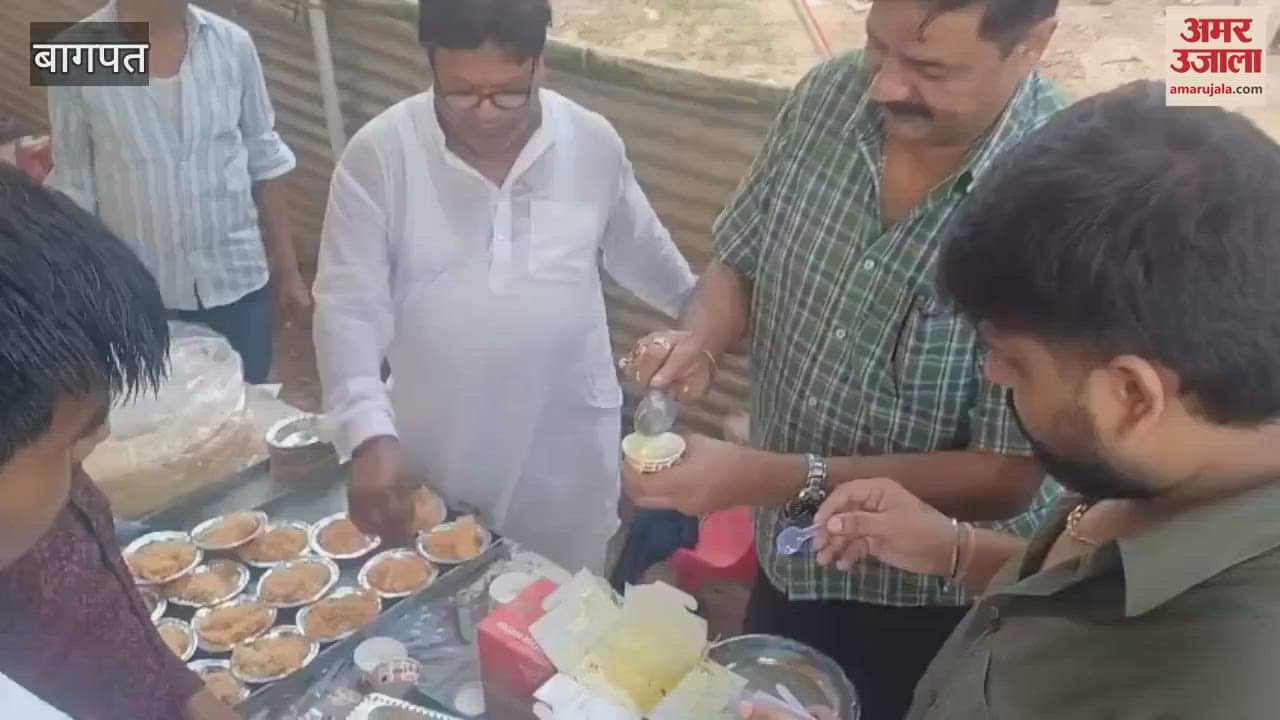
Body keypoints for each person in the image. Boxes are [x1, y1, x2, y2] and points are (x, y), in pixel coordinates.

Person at [747, 80, 1280, 719]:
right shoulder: (1183, 451)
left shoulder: (1219, 680)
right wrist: (953, 549)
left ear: (1133, 394)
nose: (995, 375)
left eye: (1015, 361)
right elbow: (1076, 586)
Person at [622, 1, 1062, 717]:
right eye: (874, 47)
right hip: (787, 560)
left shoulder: (1060, 201)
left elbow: (1008, 476)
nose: (884, 86)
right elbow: (739, 261)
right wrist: (699, 336)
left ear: (1031, 46)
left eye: (928, 68)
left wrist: (765, 478)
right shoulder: (826, 99)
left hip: (931, 599)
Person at [313, 0, 695, 573]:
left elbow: (652, 259)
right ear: (431, 67)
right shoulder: (381, 156)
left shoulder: (590, 143)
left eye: (507, 92)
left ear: (541, 66)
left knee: (560, 622)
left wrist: (707, 327)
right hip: (441, 452)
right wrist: (368, 435)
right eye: (462, 92)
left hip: (564, 458)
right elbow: (348, 307)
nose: (485, 113)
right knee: (448, 618)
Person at [0, 165, 239, 718]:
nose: (94, 445)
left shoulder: (46, 505)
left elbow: (104, 610)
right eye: (73, 444)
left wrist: (186, 693)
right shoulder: (81, 74)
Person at [47, 0, 309, 384]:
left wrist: (289, 271)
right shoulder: (78, 52)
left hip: (236, 283)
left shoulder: (232, 44)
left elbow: (265, 157)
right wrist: (76, 293)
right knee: (164, 427)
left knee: (246, 413)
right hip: (141, 296)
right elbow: (74, 185)